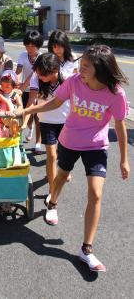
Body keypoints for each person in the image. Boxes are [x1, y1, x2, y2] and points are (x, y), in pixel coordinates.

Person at [16, 45, 130, 272]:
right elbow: (54, 103)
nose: (80, 68)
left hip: (96, 146)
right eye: (81, 64)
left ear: (100, 69)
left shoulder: (116, 93)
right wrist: (27, 112)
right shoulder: (75, 82)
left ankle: (86, 249)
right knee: (61, 177)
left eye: (86, 66)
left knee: (96, 194)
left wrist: (124, 159)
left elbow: (119, 125)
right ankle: (52, 202)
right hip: (69, 140)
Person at [25, 53, 70, 206]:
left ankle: (63, 171)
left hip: (66, 122)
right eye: (38, 72)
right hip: (46, 121)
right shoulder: (37, 77)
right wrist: (25, 121)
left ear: (55, 70)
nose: (40, 76)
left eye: (44, 74)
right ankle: (52, 192)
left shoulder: (67, 79)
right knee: (51, 155)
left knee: (63, 156)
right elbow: (31, 100)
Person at [16, 30, 43, 148]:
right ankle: (30, 128)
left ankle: (38, 142)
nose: (29, 48)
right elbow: (18, 71)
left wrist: (21, 88)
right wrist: (15, 82)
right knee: (26, 114)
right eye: (27, 45)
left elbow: (32, 75)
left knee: (38, 117)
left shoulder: (42, 57)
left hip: (39, 90)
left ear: (38, 45)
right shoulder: (23, 55)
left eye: (32, 46)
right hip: (26, 89)